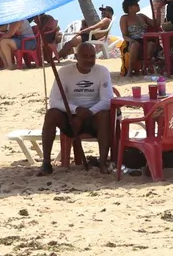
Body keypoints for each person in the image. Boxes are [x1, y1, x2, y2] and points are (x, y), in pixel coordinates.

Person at [38, 43, 115, 176]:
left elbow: (107, 100)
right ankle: (46, 163)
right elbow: (54, 101)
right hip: (70, 118)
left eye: (92, 56)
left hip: (94, 117)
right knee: (51, 114)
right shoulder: (64, 72)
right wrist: (76, 110)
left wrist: (88, 112)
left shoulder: (102, 71)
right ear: (76, 57)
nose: (89, 60)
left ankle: (102, 162)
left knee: (104, 115)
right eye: (85, 56)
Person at [119, 0, 158, 75]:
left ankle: (144, 67)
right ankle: (130, 70)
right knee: (135, 45)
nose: (138, 6)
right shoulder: (124, 18)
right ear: (130, 7)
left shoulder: (142, 16)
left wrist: (158, 10)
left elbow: (155, 24)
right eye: (136, 5)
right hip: (132, 40)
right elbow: (124, 35)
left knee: (151, 44)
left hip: (145, 40)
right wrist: (131, 41)